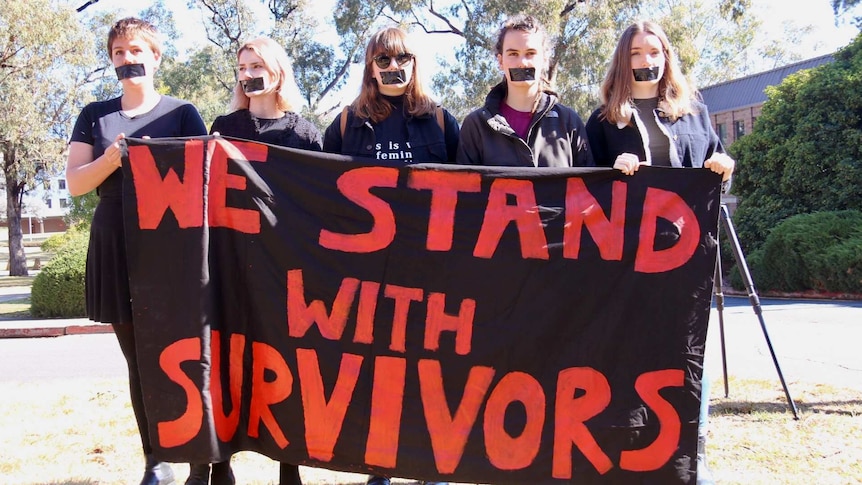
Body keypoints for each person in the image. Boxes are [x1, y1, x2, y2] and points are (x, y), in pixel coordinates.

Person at [584, 20, 735, 485]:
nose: (645, 59)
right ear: (622, 60)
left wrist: (725, 168)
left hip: (687, 262)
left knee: (691, 355)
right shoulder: (603, 120)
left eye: (653, 51)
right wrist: (614, 171)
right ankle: (631, 449)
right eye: (635, 52)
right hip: (627, 267)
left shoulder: (694, 110)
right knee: (630, 355)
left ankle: (694, 453)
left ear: (667, 55)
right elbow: (585, 190)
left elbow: (716, 161)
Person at [65, 17, 208, 485]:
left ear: (155, 56)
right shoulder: (94, 115)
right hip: (115, 240)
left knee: (183, 354)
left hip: (171, 247)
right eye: (119, 52)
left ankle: (199, 462)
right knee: (139, 359)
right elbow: (75, 185)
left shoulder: (182, 112)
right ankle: (156, 461)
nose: (128, 59)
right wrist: (111, 158)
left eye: (136, 50)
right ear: (112, 61)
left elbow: (205, 178)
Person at [322, 26, 457, 485]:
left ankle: (427, 468)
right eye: (384, 60)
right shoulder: (346, 123)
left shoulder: (441, 121)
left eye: (403, 59)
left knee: (429, 372)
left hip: (430, 271)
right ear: (370, 67)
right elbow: (316, 189)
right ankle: (378, 467)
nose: (394, 68)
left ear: (416, 63)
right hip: (367, 275)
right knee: (374, 370)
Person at [193, 37, 322, 485]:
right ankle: (218, 462)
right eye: (242, 66)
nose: (248, 73)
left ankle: (290, 467)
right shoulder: (224, 127)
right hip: (230, 261)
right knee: (225, 357)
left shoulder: (304, 133)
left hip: (283, 266)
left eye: (256, 65)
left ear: (277, 71)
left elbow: (316, 202)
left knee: (283, 360)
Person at [456, 14, 593, 168]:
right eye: (513, 54)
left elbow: (589, 188)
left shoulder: (568, 122)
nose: (522, 63)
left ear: (545, 60)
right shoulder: (476, 125)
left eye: (531, 53)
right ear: (500, 61)